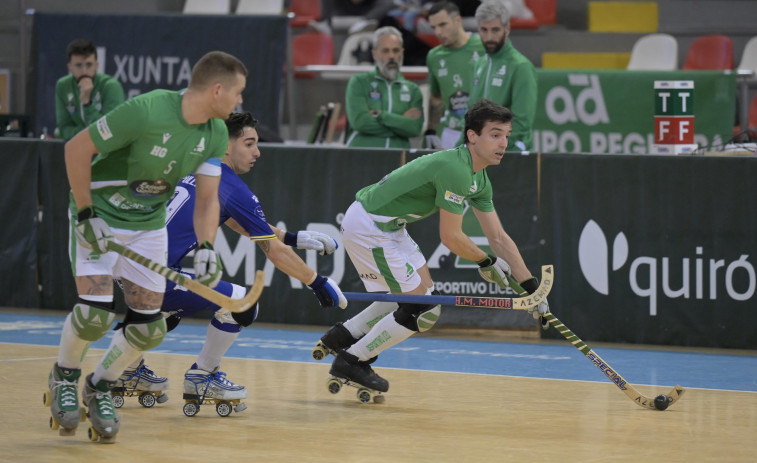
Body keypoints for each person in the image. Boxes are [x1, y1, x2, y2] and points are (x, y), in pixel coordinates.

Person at [46, 51, 247, 442]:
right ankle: (64, 377)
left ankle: (100, 385)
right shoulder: (146, 110)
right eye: (237, 93)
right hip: (100, 214)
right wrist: (86, 214)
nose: (239, 101)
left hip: (147, 225)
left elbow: (207, 200)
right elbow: (75, 149)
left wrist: (207, 245)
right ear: (218, 89)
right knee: (95, 316)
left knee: (149, 328)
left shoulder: (216, 132)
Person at [314, 99, 550, 394]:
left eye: (506, 135)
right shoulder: (455, 169)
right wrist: (485, 262)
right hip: (370, 228)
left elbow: (499, 237)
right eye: (495, 134)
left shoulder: (479, 178)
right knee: (422, 309)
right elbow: (451, 237)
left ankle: (342, 336)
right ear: (472, 136)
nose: (503, 143)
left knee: (421, 297)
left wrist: (530, 288)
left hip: (391, 227)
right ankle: (351, 360)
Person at [117, 111, 347, 409]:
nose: (258, 152)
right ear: (226, 145)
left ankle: (129, 370)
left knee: (164, 314)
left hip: (124, 263)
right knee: (243, 303)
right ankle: (203, 374)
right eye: (249, 144)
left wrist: (292, 238)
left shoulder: (193, 165)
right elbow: (271, 251)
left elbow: (234, 221)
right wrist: (317, 282)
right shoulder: (230, 185)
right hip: (153, 276)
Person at [461, 1, 537, 152]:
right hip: (480, 155)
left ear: (507, 29)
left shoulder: (520, 66)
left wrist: (487, 144)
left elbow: (522, 123)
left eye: (495, 30)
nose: (489, 37)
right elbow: (471, 117)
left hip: (509, 154)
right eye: (484, 30)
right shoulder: (479, 64)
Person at [344, 26, 424, 148]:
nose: (391, 56)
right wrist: (401, 122)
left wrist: (380, 115)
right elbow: (360, 122)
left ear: (402, 53)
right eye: (385, 51)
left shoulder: (413, 90)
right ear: (374, 54)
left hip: (399, 157)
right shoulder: (359, 82)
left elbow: (414, 129)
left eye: (396, 50)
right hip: (362, 154)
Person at [425, 1, 485, 149]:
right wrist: (431, 131)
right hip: (449, 133)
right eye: (434, 27)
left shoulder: (483, 47)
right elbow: (436, 98)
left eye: (442, 25)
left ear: (458, 20)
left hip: (481, 132)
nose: (438, 32)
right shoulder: (434, 56)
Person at [54, 38, 125, 141]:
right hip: (77, 146)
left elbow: (109, 130)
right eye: (78, 65)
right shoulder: (63, 86)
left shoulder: (111, 86)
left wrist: (87, 103)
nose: (84, 71)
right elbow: (64, 128)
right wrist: (87, 135)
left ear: (96, 66)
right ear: (69, 67)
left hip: (107, 150)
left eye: (89, 65)